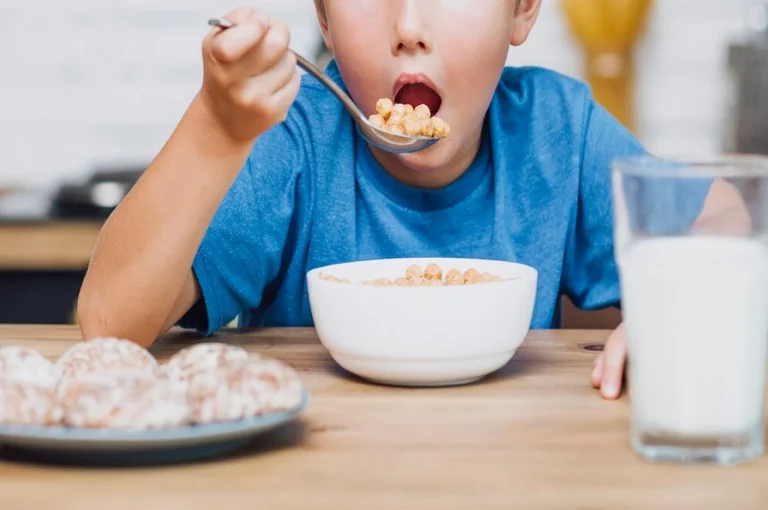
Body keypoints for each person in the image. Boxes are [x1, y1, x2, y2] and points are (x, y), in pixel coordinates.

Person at [76, 0, 745, 400]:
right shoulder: (293, 141)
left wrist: (675, 307)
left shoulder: (556, 133)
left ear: (522, 7)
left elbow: (725, 213)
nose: (408, 26)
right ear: (324, 19)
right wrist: (216, 130)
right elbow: (109, 323)